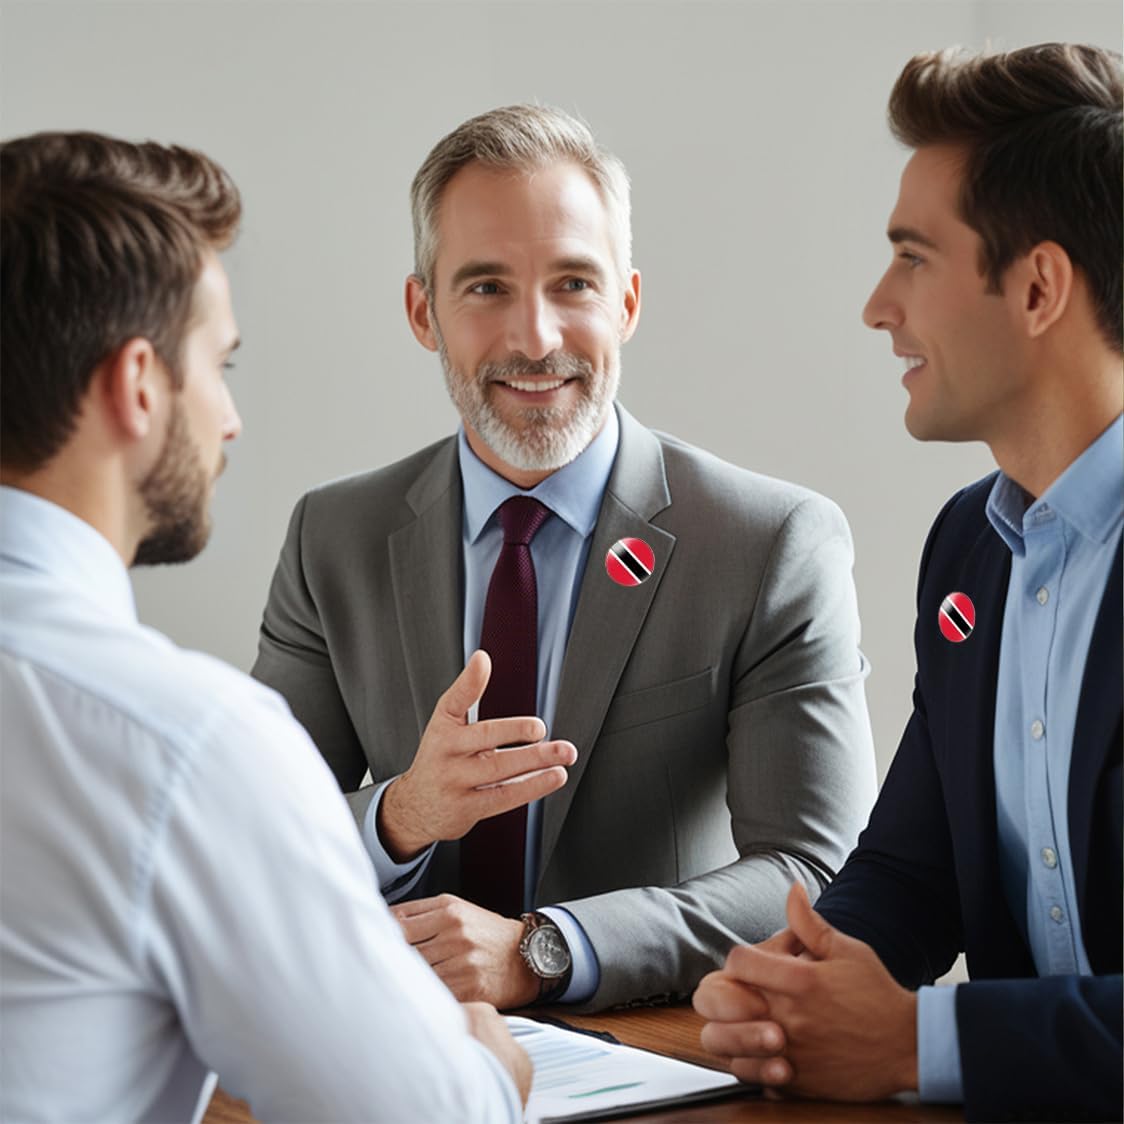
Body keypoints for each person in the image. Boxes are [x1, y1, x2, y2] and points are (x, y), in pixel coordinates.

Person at [252, 104, 877, 1013]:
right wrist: (401, 815)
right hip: (397, 1052)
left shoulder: (770, 543)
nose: (537, 338)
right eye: (487, 288)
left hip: (656, 1058)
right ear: (424, 311)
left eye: (573, 285)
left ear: (626, 303)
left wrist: (549, 949)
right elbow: (245, 840)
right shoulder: (332, 538)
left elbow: (820, 873)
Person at [0, 130, 529, 1122]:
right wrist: (487, 1065)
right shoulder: (183, 742)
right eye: (221, 362)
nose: (232, 418)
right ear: (139, 385)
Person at [694, 42, 1122, 1121]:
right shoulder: (966, 550)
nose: (877, 305)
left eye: (912, 257)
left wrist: (918, 1039)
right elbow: (911, 874)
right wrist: (791, 978)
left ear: (1035, 287)